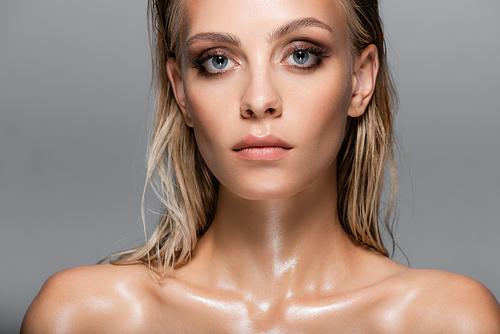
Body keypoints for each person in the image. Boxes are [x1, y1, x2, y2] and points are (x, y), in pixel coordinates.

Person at [21, 0, 500, 332]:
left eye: (300, 55)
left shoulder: (451, 321)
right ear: (180, 91)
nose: (259, 101)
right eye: (217, 61)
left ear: (360, 80)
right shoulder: (81, 319)